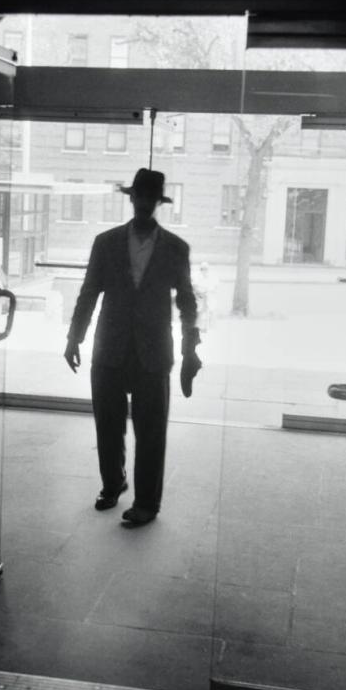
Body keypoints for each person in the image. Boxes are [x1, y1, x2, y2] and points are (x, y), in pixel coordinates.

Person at [64, 168, 202, 526]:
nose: (143, 203)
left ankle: (147, 503)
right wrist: (74, 337)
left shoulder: (175, 248)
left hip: (154, 353)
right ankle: (113, 484)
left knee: (151, 431)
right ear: (132, 199)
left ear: (158, 202)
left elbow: (187, 301)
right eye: (139, 196)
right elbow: (89, 291)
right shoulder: (105, 242)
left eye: (150, 198)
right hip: (109, 348)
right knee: (107, 425)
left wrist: (191, 347)